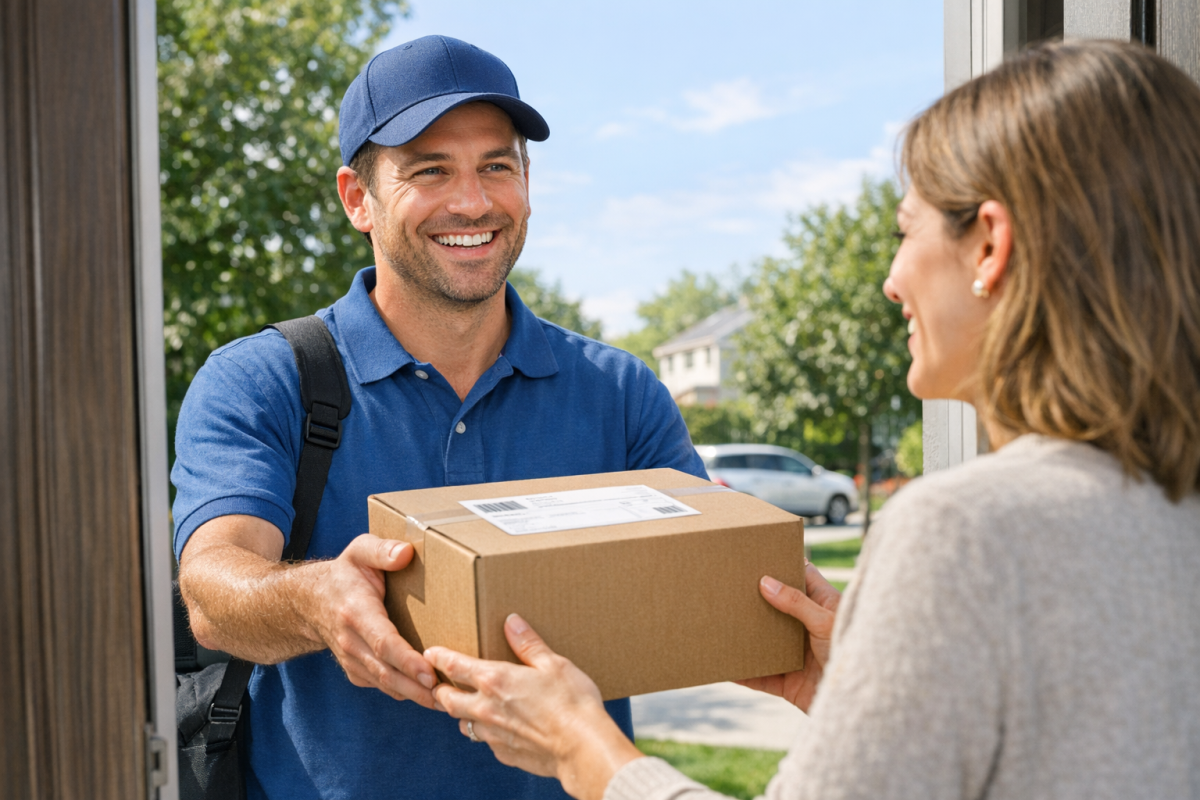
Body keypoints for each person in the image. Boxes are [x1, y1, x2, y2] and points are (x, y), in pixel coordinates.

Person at [423, 40, 1200, 800]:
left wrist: (584, 751)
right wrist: (864, 697)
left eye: (905, 231)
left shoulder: (964, 530)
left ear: (990, 245)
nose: (894, 282)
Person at [171, 35, 707, 800]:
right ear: (358, 198)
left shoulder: (619, 392)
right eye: (430, 171)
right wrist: (319, 599)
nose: (473, 202)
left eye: (498, 165)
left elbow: (704, 580)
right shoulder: (260, 381)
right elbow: (214, 595)